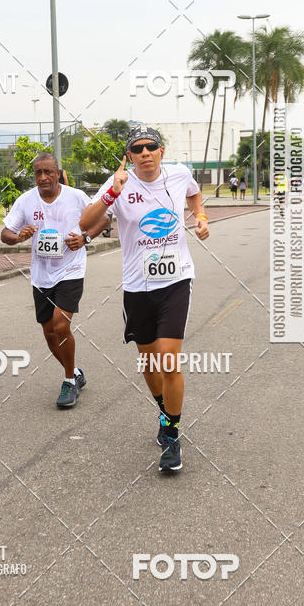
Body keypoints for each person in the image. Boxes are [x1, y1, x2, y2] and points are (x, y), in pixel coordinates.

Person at [80, 125, 209, 474]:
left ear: (161, 150)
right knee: (150, 363)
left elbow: (195, 195)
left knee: (169, 359)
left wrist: (200, 216)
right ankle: (163, 411)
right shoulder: (118, 183)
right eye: (137, 149)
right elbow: (85, 221)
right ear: (129, 156)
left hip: (176, 279)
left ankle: (172, 433)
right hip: (138, 286)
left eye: (151, 146)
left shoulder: (180, 174)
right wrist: (111, 194)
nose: (145, 153)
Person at [1, 152, 110, 409]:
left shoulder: (75, 197)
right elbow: (5, 233)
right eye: (38, 173)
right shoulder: (26, 201)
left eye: (48, 171)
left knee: (61, 326)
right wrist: (17, 237)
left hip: (70, 269)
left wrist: (85, 238)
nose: (43, 177)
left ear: (58, 172)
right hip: (41, 274)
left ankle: (69, 379)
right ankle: (75, 372)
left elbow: (103, 219)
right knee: (49, 332)